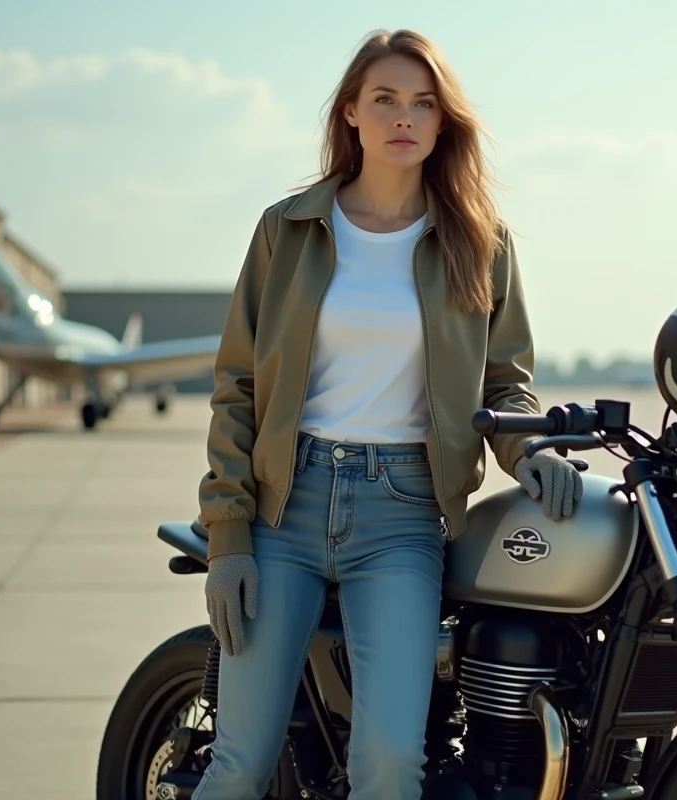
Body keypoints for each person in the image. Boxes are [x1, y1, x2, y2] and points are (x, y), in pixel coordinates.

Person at [192, 28, 583, 800]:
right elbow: (238, 384)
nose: (404, 116)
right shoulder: (287, 229)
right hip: (282, 510)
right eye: (385, 99)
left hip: (402, 518)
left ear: (442, 122)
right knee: (240, 764)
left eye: (423, 103)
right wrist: (227, 536)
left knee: (390, 763)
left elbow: (505, 382)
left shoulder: (481, 242)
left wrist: (528, 451)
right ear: (350, 112)